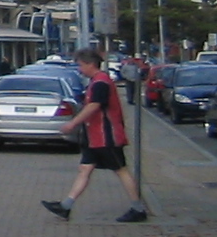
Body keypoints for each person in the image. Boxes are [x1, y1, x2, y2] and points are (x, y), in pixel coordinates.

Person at [43, 46, 148, 224]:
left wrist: (73, 123)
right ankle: (66, 206)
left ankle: (138, 209)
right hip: (95, 137)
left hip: (106, 136)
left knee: (121, 170)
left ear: (91, 64)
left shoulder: (101, 82)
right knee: (85, 169)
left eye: (81, 65)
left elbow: (94, 106)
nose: (79, 69)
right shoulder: (97, 81)